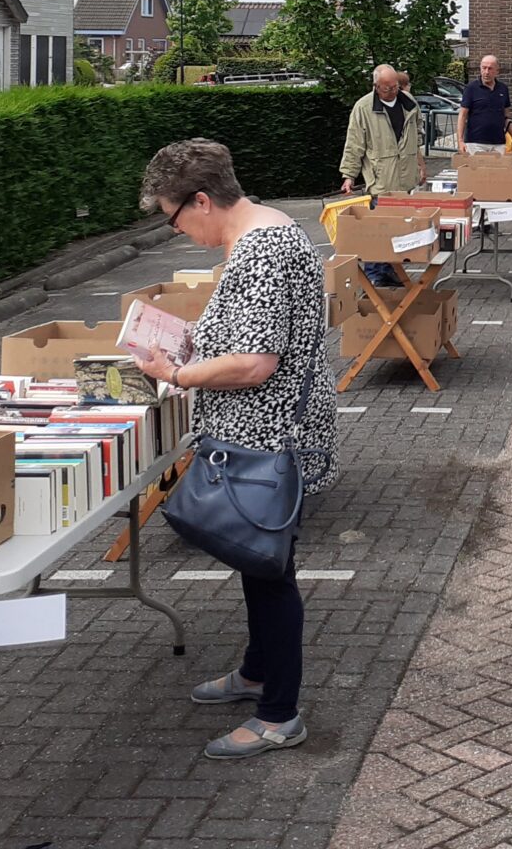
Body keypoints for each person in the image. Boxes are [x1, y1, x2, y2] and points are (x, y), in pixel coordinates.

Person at [138, 139, 338, 760]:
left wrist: (175, 375)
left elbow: (253, 362)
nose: (179, 232)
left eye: (175, 218)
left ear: (202, 200)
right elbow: (250, 334)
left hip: (269, 437)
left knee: (271, 570)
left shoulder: (262, 251)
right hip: (269, 433)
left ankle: (280, 712)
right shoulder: (266, 230)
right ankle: (257, 672)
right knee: (260, 564)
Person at [339, 64, 424, 287]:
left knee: (398, 231)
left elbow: (418, 135)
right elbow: (354, 144)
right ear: (376, 86)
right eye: (387, 89)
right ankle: (376, 277)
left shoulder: (409, 103)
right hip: (381, 181)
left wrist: (420, 165)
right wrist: (349, 175)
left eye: (395, 86)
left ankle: (391, 271)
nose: (393, 92)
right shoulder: (363, 108)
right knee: (379, 232)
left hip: (405, 179)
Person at [458, 55, 511, 156]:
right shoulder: (471, 88)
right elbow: (462, 115)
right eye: (484, 68)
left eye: (490, 68)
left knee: (498, 171)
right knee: (478, 171)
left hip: (498, 142)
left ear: (497, 71)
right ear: (480, 68)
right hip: (475, 142)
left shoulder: (503, 89)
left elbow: (507, 116)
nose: (486, 72)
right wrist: (460, 141)